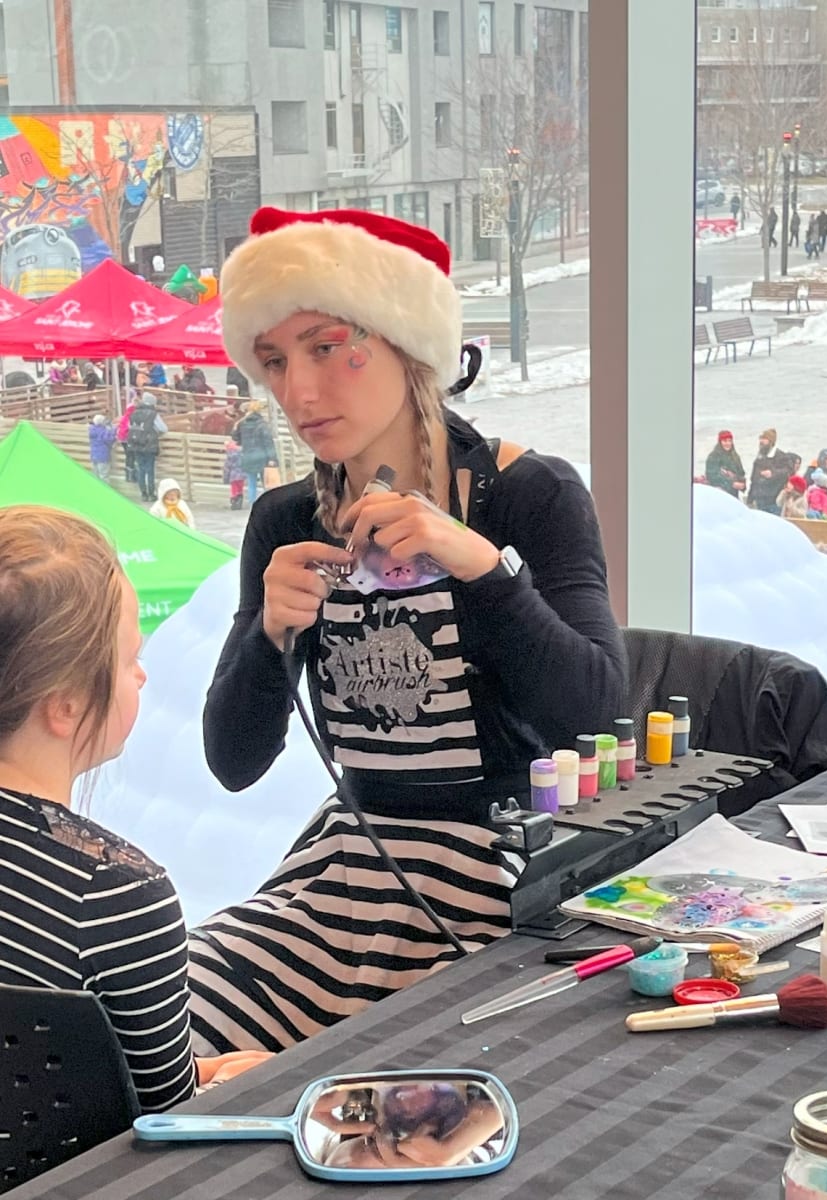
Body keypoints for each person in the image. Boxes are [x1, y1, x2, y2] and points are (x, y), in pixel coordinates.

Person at [191, 206, 627, 1053]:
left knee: (410, 1075)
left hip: (503, 872)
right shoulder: (286, 522)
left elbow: (596, 715)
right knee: (157, 1027)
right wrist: (269, 639)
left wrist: (483, 566)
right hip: (348, 870)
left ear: (404, 340)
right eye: (274, 361)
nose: (298, 392)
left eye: (325, 347)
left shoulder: (527, 494)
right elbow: (233, 761)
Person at [0, 507, 270, 1111]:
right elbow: (163, 1120)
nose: (142, 676)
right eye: (127, 660)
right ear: (66, 704)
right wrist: (227, 1081)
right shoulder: (113, 893)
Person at [232, 399, 279, 504]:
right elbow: (268, 443)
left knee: (252, 483)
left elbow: (236, 437)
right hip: (262, 458)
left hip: (248, 456)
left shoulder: (242, 423)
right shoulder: (262, 425)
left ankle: (252, 504)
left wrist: (236, 428)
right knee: (265, 483)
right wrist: (272, 458)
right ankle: (266, 504)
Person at [126, 391, 168, 501]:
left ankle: (143, 494)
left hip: (136, 444)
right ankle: (151, 494)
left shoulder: (134, 413)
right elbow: (163, 428)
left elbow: (130, 426)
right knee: (150, 470)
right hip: (149, 445)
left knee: (141, 469)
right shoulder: (153, 414)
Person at [747, 428, 794, 514]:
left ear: (771, 442)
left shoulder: (781, 456)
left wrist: (773, 473)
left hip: (774, 502)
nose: (761, 441)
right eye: (761, 439)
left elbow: (788, 471)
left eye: (764, 439)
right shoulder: (759, 458)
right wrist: (750, 499)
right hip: (759, 501)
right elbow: (754, 480)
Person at [706, 430, 745, 499]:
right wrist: (731, 483)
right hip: (719, 493)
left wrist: (742, 484)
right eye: (725, 441)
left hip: (734, 493)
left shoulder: (735, 456)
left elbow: (741, 472)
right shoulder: (713, 456)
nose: (727, 443)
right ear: (720, 442)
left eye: (730, 441)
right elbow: (711, 475)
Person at [88, 412, 116, 483]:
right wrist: (112, 431)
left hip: (94, 455)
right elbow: (109, 440)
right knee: (104, 476)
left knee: (95, 475)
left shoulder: (91, 429)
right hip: (103, 456)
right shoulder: (104, 431)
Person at [224, 437, 247, 509]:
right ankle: (239, 503)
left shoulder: (230, 455)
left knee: (234, 489)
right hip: (242, 475)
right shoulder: (241, 452)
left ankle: (234, 503)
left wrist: (226, 476)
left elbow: (228, 466)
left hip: (233, 475)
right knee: (240, 488)